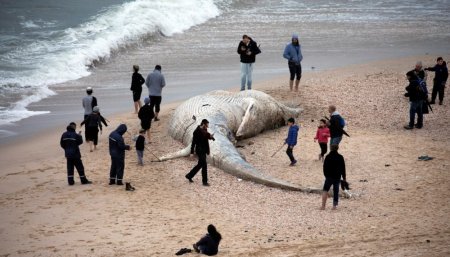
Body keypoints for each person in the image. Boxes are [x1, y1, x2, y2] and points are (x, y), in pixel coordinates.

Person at [185, 119, 215, 186]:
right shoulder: (196, 131)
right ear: (203, 124)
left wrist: (211, 137)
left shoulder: (204, 130)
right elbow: (193, 142)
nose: (207, 126)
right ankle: (204, 182)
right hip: (199, 150)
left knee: (200, 165)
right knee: (204, 165)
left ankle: (189, 176)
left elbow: (206, 136)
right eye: (207, 125)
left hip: (204, 150)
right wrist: (192, 152)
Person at [320, 144, 346, 210]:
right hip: (337, 176)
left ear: (330, 148)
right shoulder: (340, 157)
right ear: (337, 148)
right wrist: (344, 178)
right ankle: (334, 206)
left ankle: (323, 206)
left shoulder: (328, 156)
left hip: (329, 176)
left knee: (325, 190)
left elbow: (324, 167)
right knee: (336, 191)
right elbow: (343, 168)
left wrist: (326, 175)